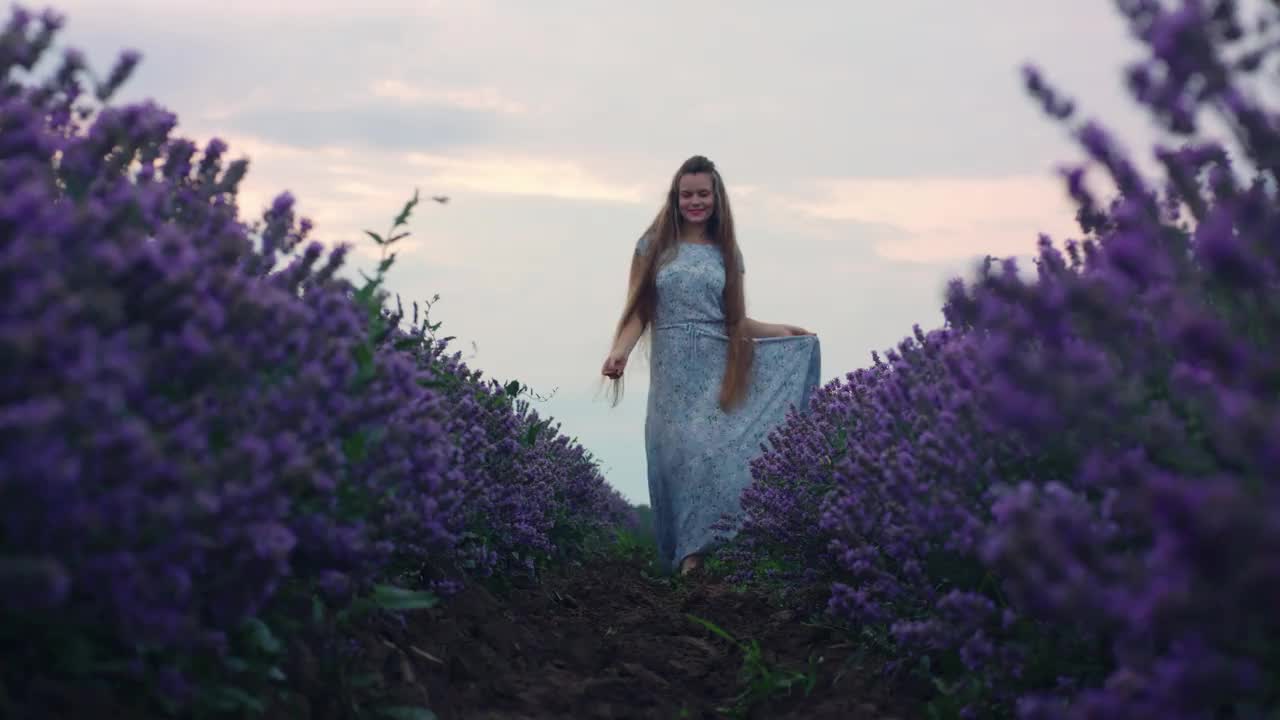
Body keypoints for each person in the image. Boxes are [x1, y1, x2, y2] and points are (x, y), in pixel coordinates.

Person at [600, 155, 822, 577]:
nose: (695, 201)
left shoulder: (727, 253)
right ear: (676, 197)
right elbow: (638, 311)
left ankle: (696, 559)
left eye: (703, 194)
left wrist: (784, 330)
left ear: (716, 197)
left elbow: (735, 321)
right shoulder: (652, 246)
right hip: (672, 374)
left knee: (710, 455)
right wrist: (621, 352)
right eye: (687, 194)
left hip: (715, 363)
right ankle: (688, 553)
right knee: (679, 458)